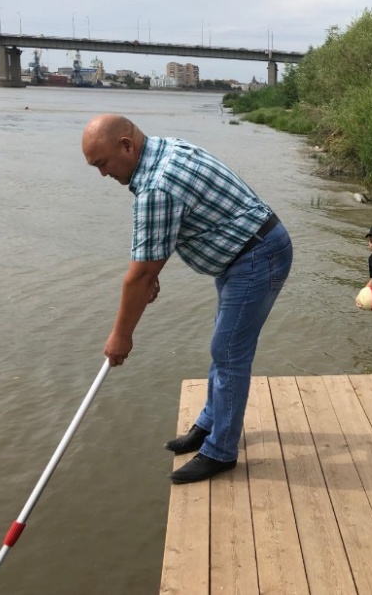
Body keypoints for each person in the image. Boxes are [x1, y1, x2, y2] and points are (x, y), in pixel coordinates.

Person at [81, 114, 292, 485]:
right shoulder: (166, 149)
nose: (102, 174)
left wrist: (121, 337)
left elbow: (139, 276)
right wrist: (151, 272)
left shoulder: (156, 186)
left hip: (256, 255)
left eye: (102, 164)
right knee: (222, 347)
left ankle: (221, 451)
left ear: (126, 146)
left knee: (228, 351)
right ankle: (209, 424)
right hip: (243, 250)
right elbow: (172, 234)